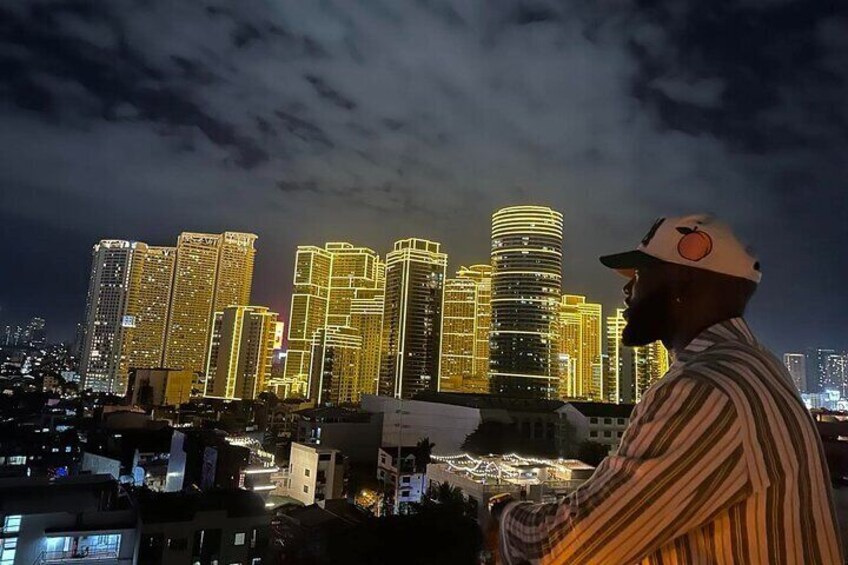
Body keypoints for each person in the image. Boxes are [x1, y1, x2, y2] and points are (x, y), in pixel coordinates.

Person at [492, 214, 843, 564]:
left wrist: (506, 515)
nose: (626, 291)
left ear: (682, 282)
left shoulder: (702, 390)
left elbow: (574, 546)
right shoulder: (759, 366)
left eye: (640, 276)